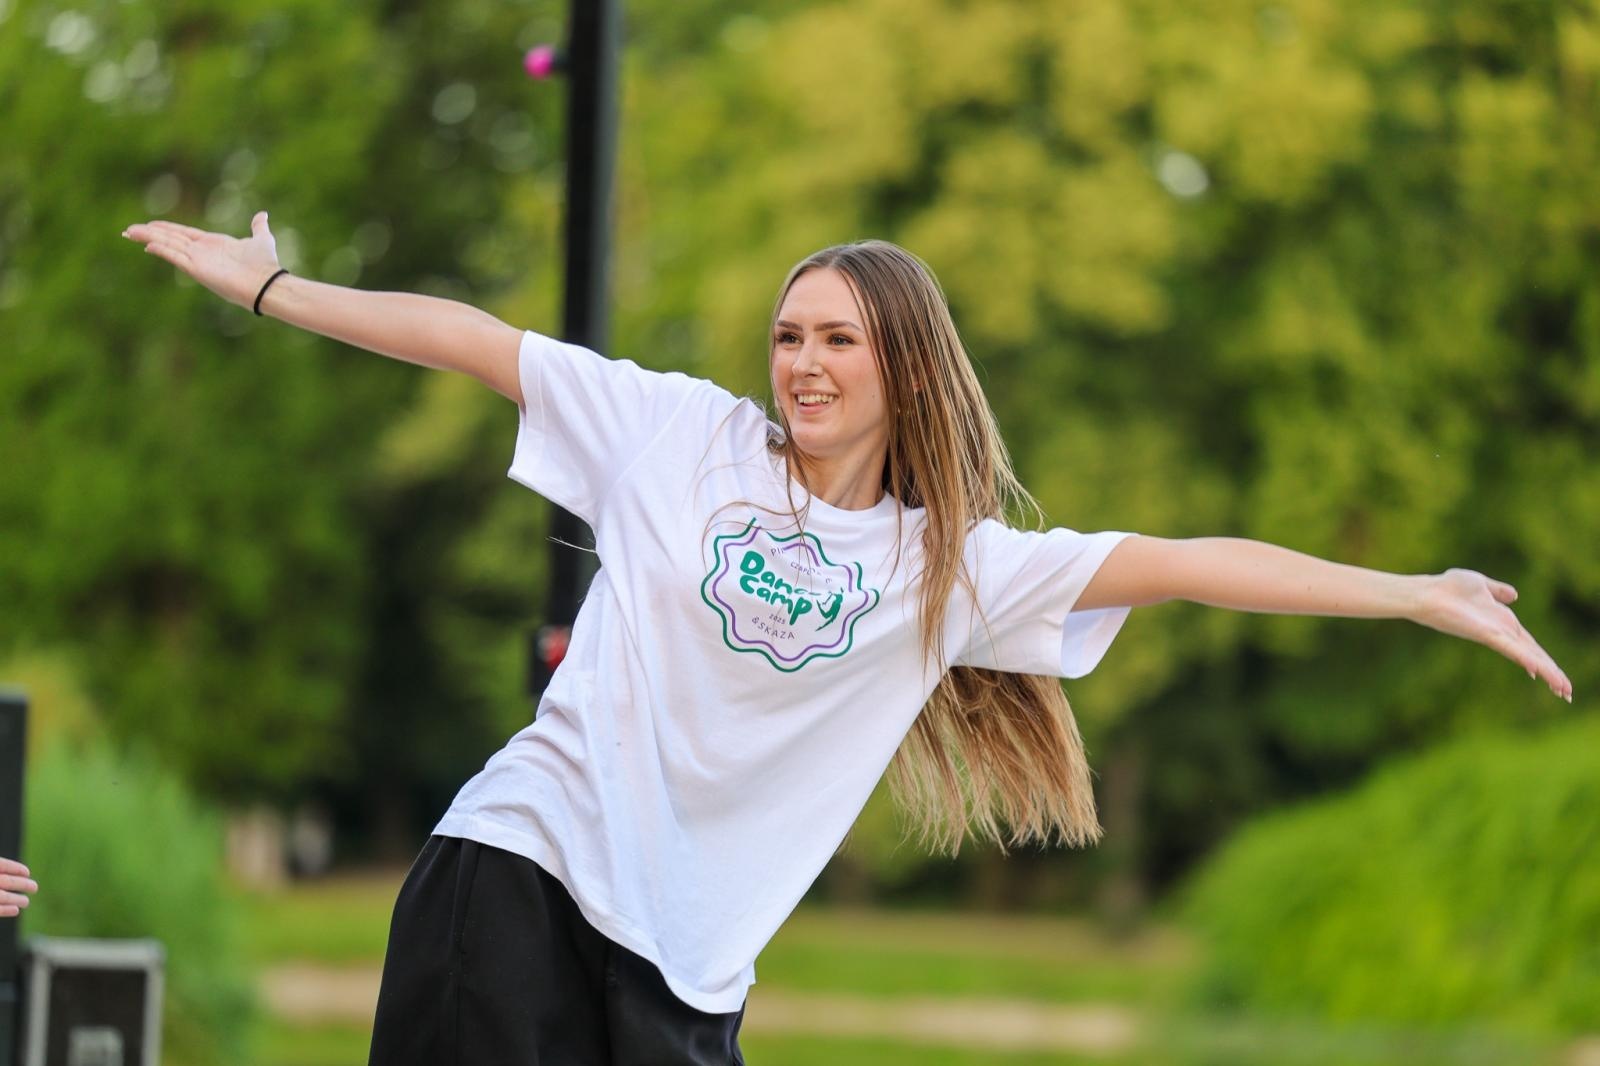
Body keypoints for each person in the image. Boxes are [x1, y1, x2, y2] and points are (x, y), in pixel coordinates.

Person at [122, 212, 1571, 1065]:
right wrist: (268, 286)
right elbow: (470, 339)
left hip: (686, 964)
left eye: (839, 339)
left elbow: (1190, 563)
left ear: (903, 365)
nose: (803, 363)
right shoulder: (678, 436)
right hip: (522, 865)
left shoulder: (949, 571)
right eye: (789, 334)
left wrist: (1413, 591)